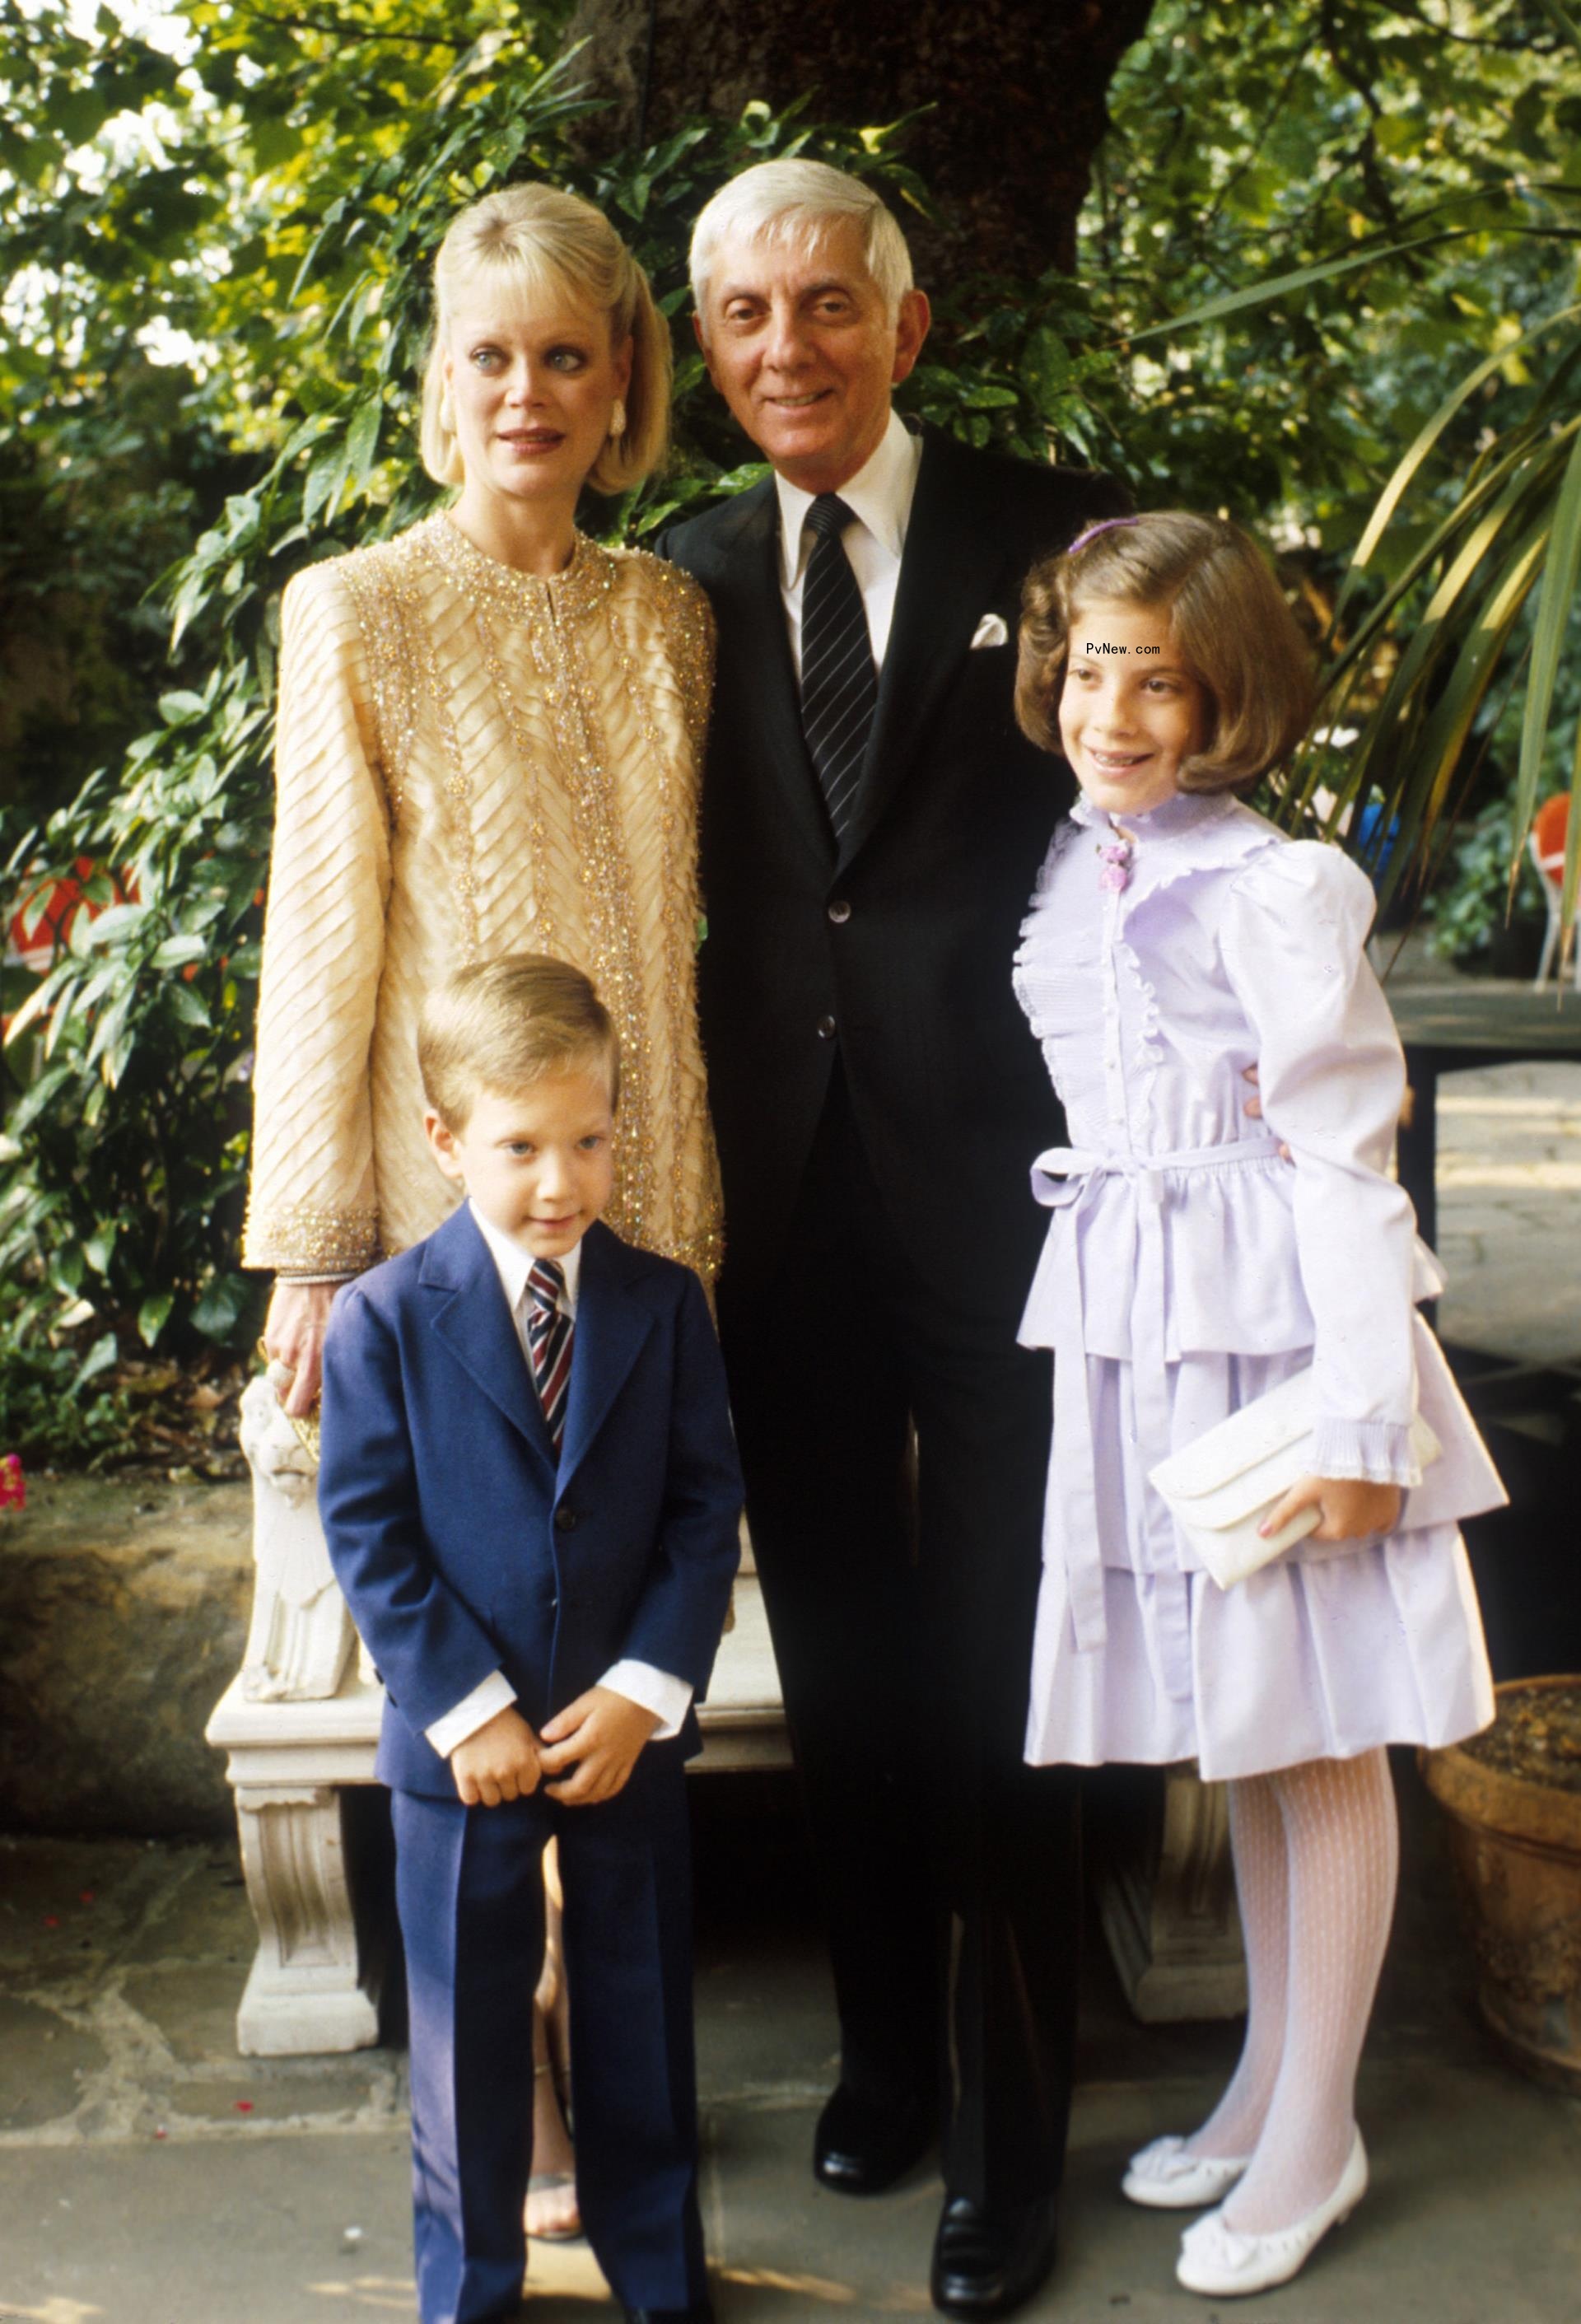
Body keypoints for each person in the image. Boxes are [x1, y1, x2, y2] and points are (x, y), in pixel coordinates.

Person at [658, 157, 1129, 2318]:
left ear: (908, 325)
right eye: (747, 314)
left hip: (1021, 1183)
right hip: (787, 1190)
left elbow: (1168, 806)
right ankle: (882, 2052)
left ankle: (1013, 2129)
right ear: (705, 344)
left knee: (1020, 1645)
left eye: (829, 302)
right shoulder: (675, 578)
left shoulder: (1060, 541)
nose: (791, 348)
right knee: (843, 1641)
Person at [243, 180, 723, 2238]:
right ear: (441, 387)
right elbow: (320, 932)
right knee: (486, 1660)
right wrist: (314, 1241)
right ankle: (508, 2079)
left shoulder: (671, 613)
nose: (527, 390)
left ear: (622, 389)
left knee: (608, 1638)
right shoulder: (357, 607)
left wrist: (692, 1218)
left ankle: (616, 2075)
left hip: (648, 1198)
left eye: (566, 356)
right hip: (448, 1221)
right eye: (489, 356)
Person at [1010, 511, 1504, 2298]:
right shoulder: (1085, 860)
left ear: (1227, 697)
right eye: (1091, 667)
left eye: (1161, 681)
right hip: (1146, 1312)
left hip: (1276, 1333)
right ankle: (1263, 2090)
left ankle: (1317, 2136)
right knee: (1256, 1732)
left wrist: (1366, 1426)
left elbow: (1346, 1156)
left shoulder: (1273, 884)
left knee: (1320, 1728)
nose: (1115, 712)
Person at [317, 954, 741, 2324]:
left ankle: (659, 2274)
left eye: (589, 1140)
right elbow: (370, 1533)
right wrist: (467, 1708)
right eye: (521, 1147)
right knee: (466, 2046)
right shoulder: (386, 1318)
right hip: (465, 1755)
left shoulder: (663, 1305)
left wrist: (644, 1690)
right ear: (445, 1140)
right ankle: (471, 2290)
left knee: (641, 2022)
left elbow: (703, 1509)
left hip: (620, 1736)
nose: (561, 1180)